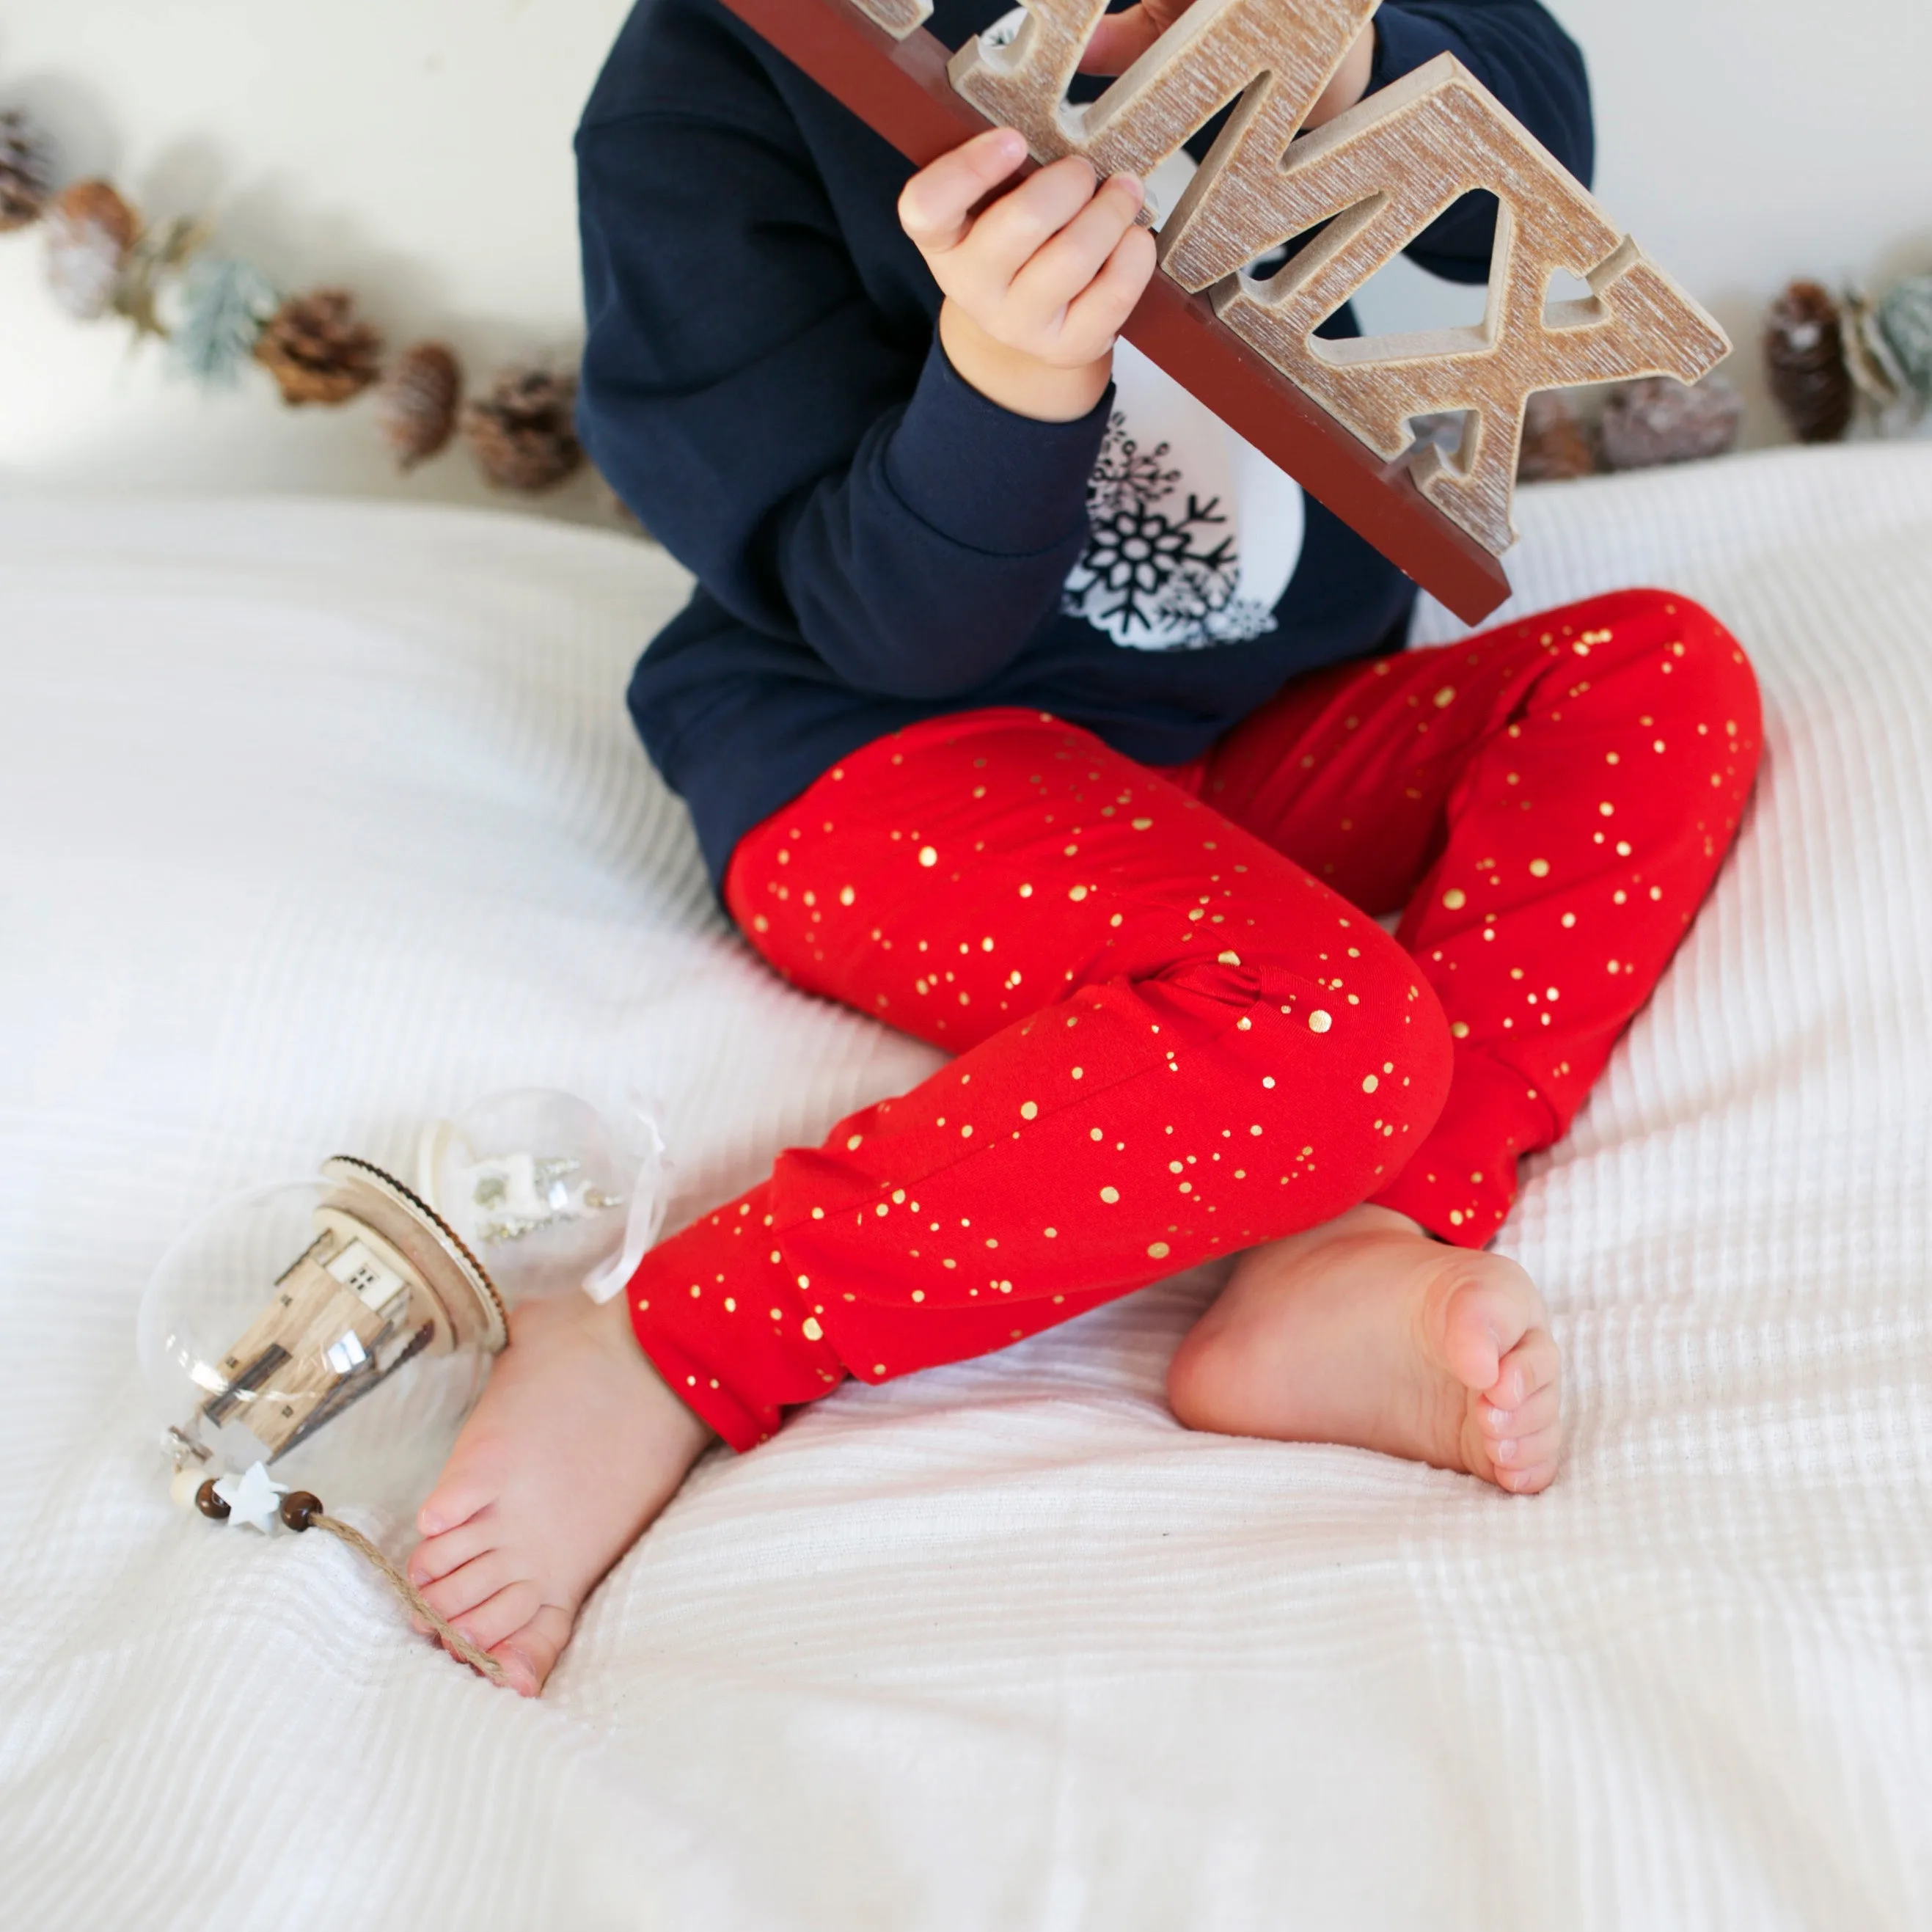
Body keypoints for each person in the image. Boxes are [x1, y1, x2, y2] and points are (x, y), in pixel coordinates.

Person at [407, 0, 1761, 1694]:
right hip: (889, 756)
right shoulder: (711, 88)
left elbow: (1532, 156)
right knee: (1327, 1031)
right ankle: (668, 1346)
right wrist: (1006, 378)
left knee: (1653, 674)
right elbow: (889, 630)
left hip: (1256, 721)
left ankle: (1357, 1245)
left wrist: (1341, 67)